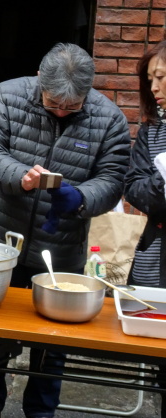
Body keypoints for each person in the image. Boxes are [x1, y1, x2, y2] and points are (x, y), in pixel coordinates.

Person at [0, 42, 131, 418]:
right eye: (53, 103)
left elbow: (112, 179)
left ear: (87, 94)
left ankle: (41, 411)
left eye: (70, 107)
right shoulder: (8, 95)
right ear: (39, 81)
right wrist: (19, 177)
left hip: (63, 248)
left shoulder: (109, 118)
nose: (60, 110)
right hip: (3, 238)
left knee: (54, 340)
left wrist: (80, 198)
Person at [124, 39, 166, 416]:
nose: (153, 88)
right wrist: (161, 181)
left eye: (161, 78)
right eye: (150, 79)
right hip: (157, 248)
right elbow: (133, 185)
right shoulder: (152, 131)